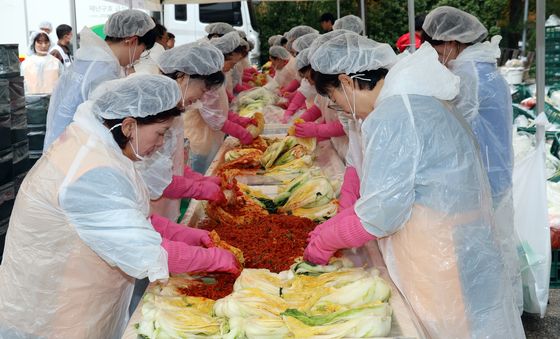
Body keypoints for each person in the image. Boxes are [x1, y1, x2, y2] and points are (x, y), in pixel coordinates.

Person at [304, 33, 525, 338]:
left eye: (335, 98)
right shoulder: (411, 100)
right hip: (451, 235)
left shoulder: (396, 112)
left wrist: (329, 237)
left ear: (346, 81)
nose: (339, 107)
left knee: (448, 327)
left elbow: (383, 213)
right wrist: (345, 216)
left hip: (440, 245)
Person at [0, 74, 239, 338]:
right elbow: (145, 251)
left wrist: (183, 234)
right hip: (54, 309)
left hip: (77, 292)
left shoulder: (101, 146)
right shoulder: (93, 171)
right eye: (160, 133)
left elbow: (127, 218)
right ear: (128, 126)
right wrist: (212, 258)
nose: (161, 144)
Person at [422, 5, 522, 312]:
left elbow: (456, 126)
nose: (437, 57)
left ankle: (497, 316)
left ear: (452, 42)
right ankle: (504, 312)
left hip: (486, 177)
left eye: (437, 48)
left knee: (488, 250)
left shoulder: (468, 73)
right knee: (498, 245)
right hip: (495, 172)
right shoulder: (482, 67)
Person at [43, 9, 156, 151]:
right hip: (76, 149)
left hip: (59, 145)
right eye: (143, 50)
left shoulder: (88, 59)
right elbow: (103, 123)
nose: (139, 57)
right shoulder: (105, 69)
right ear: (132, 41)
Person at [184, 32, 254, 174]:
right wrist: (241, 132)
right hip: (201, 138)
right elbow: (214, 118)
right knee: (202, 174)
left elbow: (219, 109)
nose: (233, 67)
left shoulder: (216, 76)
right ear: (220, 58)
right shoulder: (207, 80)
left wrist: (238, 120)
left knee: (210, 171)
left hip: (211, 136)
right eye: (232, 63)